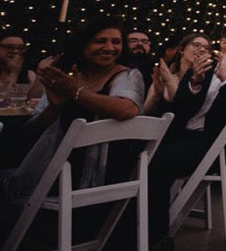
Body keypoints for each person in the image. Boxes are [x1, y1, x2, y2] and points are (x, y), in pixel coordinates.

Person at [147, 22, 226, 251]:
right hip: (182, 135)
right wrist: (194, 81)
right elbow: (180, 107)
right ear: (224, 43)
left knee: (156, 165)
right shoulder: (204, 66)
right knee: (132, 153)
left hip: (215, 145)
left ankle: (157, 239)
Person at [1, 18, 144, 209]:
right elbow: (34, 131)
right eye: (100, 41)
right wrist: (55, 106)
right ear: (82, 45)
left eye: (116, 42)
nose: (109, 47)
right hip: (56, 165)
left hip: (97, 172)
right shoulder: (66, 77)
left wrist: (76, 93)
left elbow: (126, 109)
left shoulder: (127, 75)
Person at [0, 30, 38, 97]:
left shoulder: (29, 75)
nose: (15, 51)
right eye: (9, 47)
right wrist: (14, 73)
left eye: (20, 48)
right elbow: (3, 102)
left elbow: (36, 101)